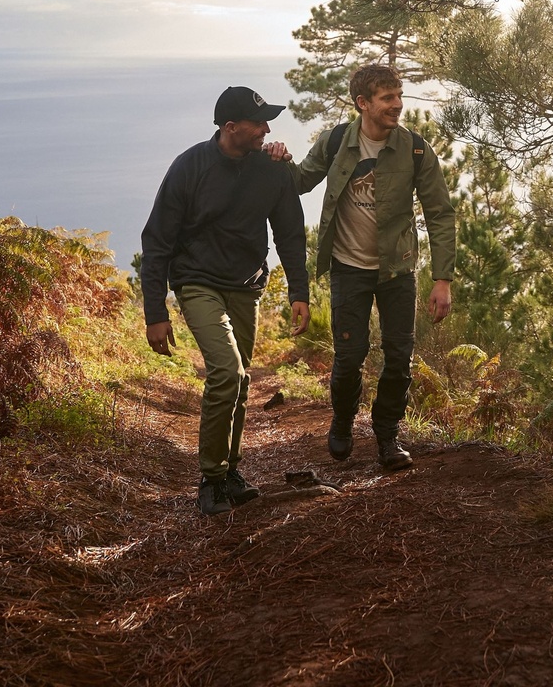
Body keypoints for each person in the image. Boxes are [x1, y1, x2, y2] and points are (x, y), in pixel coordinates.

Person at [268, 64, 455, 471]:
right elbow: (299, 181)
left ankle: (388, 436)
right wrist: (279, 158)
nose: (398, 105)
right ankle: (342, 422)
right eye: (388, 98)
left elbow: (440, 214)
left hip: (397, 271)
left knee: (398, 357)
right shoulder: (335, 142)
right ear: (363, 103)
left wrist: (443, 279)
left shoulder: (415, 149)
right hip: (348, 268)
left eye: (399, 96)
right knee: (349, 355)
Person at [141, 86, 310, 516]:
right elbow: (157, 239)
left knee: (242, 380)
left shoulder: (272, 168)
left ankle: (230, 472)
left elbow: (290, 233)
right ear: (231, 128)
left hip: (246, 284)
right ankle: (211, 479)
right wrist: (156, 313)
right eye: (258, 123)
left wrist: (299, 292)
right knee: (227, 371)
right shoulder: (190, 166)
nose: (266, 129)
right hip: (197, 281)